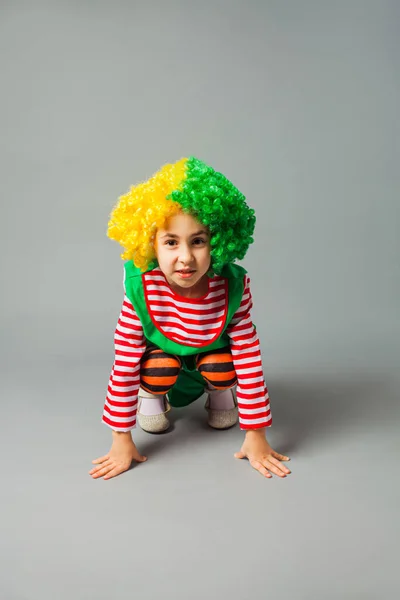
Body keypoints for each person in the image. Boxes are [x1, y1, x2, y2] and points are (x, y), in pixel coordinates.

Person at [89, 157, 291, 481]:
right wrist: (120, 439)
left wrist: (256, 433)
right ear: (151, 243)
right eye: (171, 242)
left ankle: (219, 392)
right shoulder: (141, 287)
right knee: (157, 368)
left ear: (218, 241)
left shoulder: (231, 286)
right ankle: (152, 396)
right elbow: (125, 358)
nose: (185, 258)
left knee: (224, 364)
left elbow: (248, 356)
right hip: (162, 360)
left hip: (209, 357)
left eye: (198, 241)